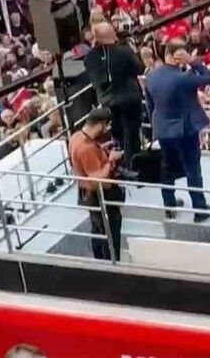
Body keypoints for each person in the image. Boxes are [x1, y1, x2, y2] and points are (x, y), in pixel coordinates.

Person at [145, 41, 210, 221]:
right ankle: (199, 210)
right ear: (177, 54)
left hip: (163, 129)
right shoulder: (182, 78)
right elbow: (208, 77)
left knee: (167, 167)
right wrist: (193, 61)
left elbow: (150, 105)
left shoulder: (151, 76)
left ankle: (169, 206)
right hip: (184, 130)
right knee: (192, 169)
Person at [82, 21, 145, 159]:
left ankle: (120, 161)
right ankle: (132, 164)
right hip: (129, 100)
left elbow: (95, 81)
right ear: (112, 34)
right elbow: (139, 68)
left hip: (108, 102)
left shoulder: (90, 57)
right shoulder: (124, 51)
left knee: (118, 135)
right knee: (131, 135)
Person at [67, 108, 124, 261]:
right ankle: (111, 263)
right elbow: (98, 179)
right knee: (110, 233)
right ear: (100, 125)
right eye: (107, 125)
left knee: (98, 230)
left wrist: (101, 150)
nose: (108, 129)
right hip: (100, 195)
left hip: (87, 194)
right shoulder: (86, 149)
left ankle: (100, 261)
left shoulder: (76, 137)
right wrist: (111, 159)